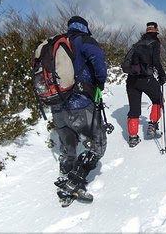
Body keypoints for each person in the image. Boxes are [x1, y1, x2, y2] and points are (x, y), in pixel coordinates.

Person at [51, 16, 108, 204]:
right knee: (98, 144)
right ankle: (74, 182)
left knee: (69, 146)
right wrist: (99, 83)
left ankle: (67, 184)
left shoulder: (56, 44)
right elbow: (99, 60)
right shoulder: (84, 40)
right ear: (85, 28)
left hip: (57, 106)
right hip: (80, 103)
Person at [126, 22, 166, 147]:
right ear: (156, 31)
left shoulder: (137, 44)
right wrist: (162, 75)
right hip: (146, 79)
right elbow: (156, 61)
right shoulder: (155, 43)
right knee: (158, 99)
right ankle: (153, 124)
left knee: (134, 109)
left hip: (131, 80)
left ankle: (133, 137)